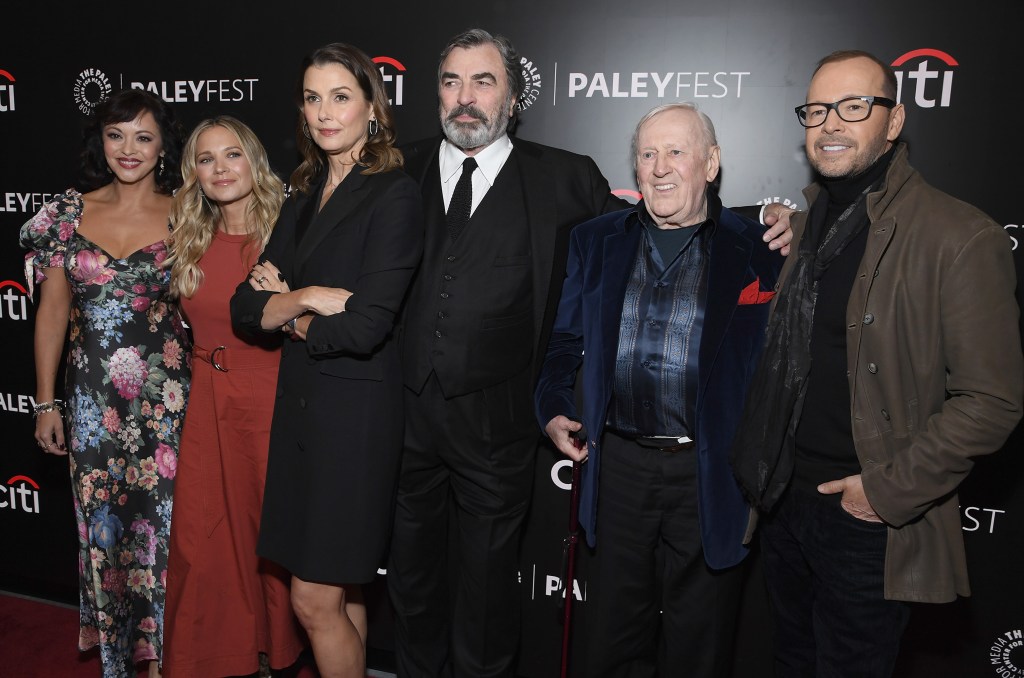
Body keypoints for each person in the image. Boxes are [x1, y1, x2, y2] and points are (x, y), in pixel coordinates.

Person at [388, 28, 793, 678]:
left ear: (512, 97)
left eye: (484, 80)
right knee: (416, 591)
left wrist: (776, 215)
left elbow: (678, 214)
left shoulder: (565, 178)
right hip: (416, 429)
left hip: (521, 439)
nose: (466, 97)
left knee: (508, 606)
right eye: (452, 81)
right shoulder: (394, 170)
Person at [730, 50, 1023, 677]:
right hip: (783, 503)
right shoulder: (809, 228)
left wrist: (882, 492)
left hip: (865, 521)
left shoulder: (960, 236)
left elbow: (992, 402)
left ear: (893, 122)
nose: (830, 124)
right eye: (816, 111)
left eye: (853, 106)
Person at [535, 103, 783, 677]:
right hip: (617, 466)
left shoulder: (763, 250)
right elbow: (561, 343)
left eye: (677, 152)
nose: (660, 167)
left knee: (700, 648)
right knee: (610, 643)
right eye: (648, 154)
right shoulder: (595, 241)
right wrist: (551, 409)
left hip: (712, 472)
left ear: (711, 164)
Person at [230, 42, 423, 678]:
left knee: (314, 599)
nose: (324, 112)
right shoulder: (302, 195)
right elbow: (242, 309)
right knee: (343, 591)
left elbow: (367, 325)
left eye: (340, 96)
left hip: (355, 420)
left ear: (372, 107)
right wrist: (308, 299)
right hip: (305, 414)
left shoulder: (393, 194)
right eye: (312, 98)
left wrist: (285, 311)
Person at [19, 88, 189, 678]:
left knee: (168, 533)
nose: (129, 149)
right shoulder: (68, 215)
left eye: (144, 136)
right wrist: (47, 402)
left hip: (169, 404)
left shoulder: (189, 211)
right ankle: (118, 659)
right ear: (101, 140)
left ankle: (174, 655)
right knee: (105, 533)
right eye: (117, 135)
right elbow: (51, 312)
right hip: (92, 405)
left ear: (164, 144)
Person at [161, 116, 305, 677]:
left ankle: (278, 653)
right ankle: (219, 656)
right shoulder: (186, 236)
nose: (220, 168)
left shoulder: (289, 232)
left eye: (232, 155)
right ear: (193, 172)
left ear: (254, 162)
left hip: (270, 399)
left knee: (267, 541)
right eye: (205, 158)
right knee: (204, 542)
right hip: (206, 404)